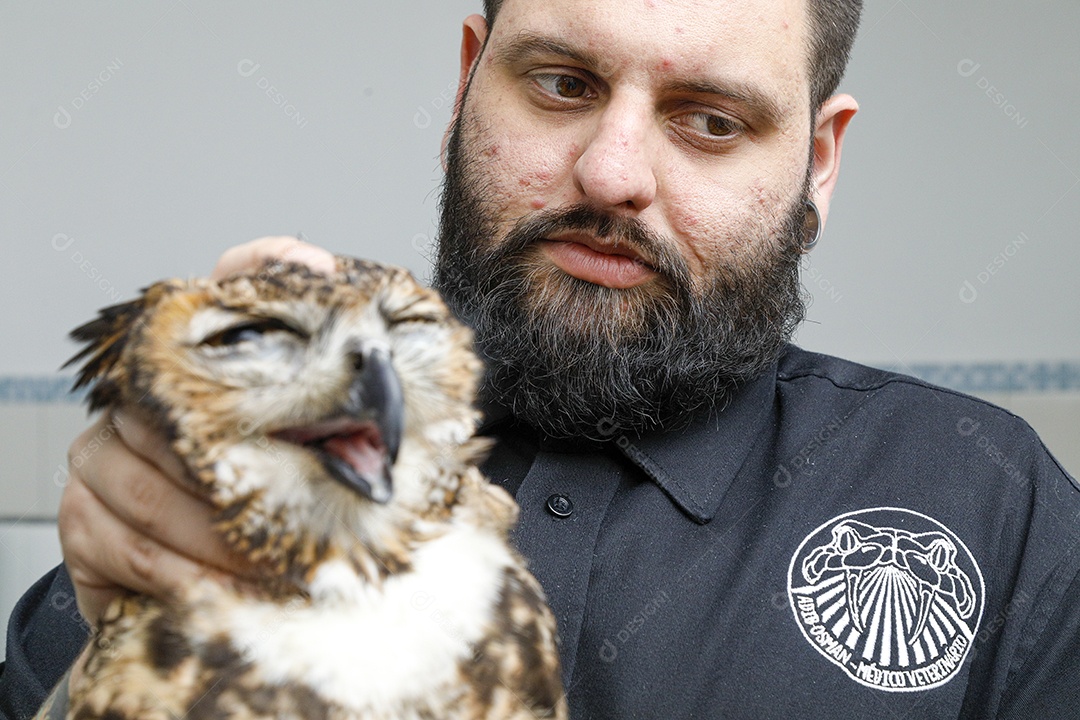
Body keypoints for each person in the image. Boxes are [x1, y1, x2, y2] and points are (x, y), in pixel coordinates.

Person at [3, 0, 1079, 717]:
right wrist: (128, 661)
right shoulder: (202, 499)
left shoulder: (995, 501)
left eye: (710, 120)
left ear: (819, 163)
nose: (612, 173)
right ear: (469, 86)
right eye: (562, 84)